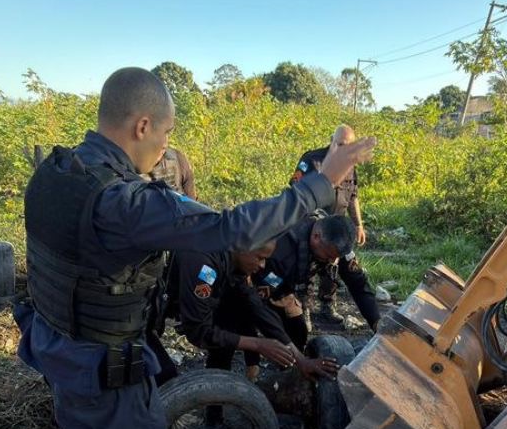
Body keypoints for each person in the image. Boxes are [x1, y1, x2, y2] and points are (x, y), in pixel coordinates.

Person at [14, 67, 375, 429]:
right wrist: (324, 182)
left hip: (54, 351)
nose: (165, 148)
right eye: (165, 134)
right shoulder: (123, 202)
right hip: (105, 366)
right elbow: (230, 228)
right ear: (142, 125)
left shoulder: (54, 173)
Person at [162, 241, 339, 384]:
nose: (262, 266)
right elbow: (198, 331)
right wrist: (257, 344)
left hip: (188, 302)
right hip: (152, 308)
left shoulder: (233, 259)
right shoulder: (205, 266)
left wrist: (300, 358)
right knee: (165, 376)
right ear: (242, 247)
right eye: (260, 258)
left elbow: (256, 306)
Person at [255, 213, 380, 352]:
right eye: (329, 256)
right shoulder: (283, 250)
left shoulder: (335, 247)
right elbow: (264, 291)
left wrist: (376, 322)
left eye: (336, 258)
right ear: (316, 237)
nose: (332, 261)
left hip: (291, 278)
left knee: (298, 336)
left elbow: (358, 284)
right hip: (269, 279)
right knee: (287, 331)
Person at [291, 125, 369, 325]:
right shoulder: (312, 159)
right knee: (305, 269)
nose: (344, 149)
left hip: (337, 226)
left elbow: (353, 196)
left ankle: (327, 305)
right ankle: (304, 310)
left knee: (332, 269)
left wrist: (358, 225)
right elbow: (295, 187)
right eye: (340, 144)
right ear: (331, 140)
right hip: (312, 227)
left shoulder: (350, 165)